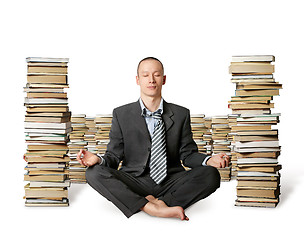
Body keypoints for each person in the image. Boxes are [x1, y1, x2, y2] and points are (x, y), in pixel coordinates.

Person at [77, 57, 230, 220]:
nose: (151, 80)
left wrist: (208, 160)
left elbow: (188, 155)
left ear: (163, 79)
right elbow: (114, 157)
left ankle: (161, 202)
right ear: (138, 80)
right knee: (93, 173)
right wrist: (97, 159)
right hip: (135, 180)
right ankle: (151, 207)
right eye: (145, 75)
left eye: (156, 75)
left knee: (211, 175)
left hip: (171, 180)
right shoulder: (121, 114)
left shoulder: (180, 114)